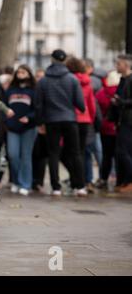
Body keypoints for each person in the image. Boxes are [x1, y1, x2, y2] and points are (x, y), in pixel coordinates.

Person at [35, 49, 86, 196]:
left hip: (51, 120)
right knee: (75, 153)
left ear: (52, 60)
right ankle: (80, 186)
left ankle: (56, 188)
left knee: (53, 154)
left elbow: (38, 104)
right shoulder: (72, 79)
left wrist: (40, 122)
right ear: (64, 61)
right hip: (69, 119)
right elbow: (80, 104)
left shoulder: (43, 80)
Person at [60, 56, 96, 196]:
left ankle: (76, 181)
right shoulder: (87, 81)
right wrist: (90, 119)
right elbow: (91, 104)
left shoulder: (66, 80)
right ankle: (80, 184)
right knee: (78, 153)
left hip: (71, 119)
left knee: (65, 153)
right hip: (84, 120)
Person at [4, 65, 37, 196]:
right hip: (12, 127)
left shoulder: (34, 90)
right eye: (18, 72)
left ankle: (25, 184)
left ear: (29, 74)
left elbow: (38, 108)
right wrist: (7, 120)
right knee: (12, 155)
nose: (20, 74)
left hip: (28, 128)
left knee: (26, 156)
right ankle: (16, 181)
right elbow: (4, 106)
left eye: (23, 72)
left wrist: (29, 118)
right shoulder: (10, 90)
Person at [95, 71, 120, 190]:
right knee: (119, 155)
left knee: (106, 156)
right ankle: (120, 179)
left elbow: (97, 111)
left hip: (105, 128)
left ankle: (104, 178)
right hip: (119, 127)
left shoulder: (101, 94)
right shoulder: (121, 92)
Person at [111, 54, 132, 193]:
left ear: (126, 65)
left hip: (129, 121)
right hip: (122, 120)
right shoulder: (123, 80)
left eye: (118, 64)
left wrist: (120, 102)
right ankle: (124, 181)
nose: (116, 66)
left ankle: (129, 181)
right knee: (121, 152)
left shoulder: (130, 80)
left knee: (123, 152)